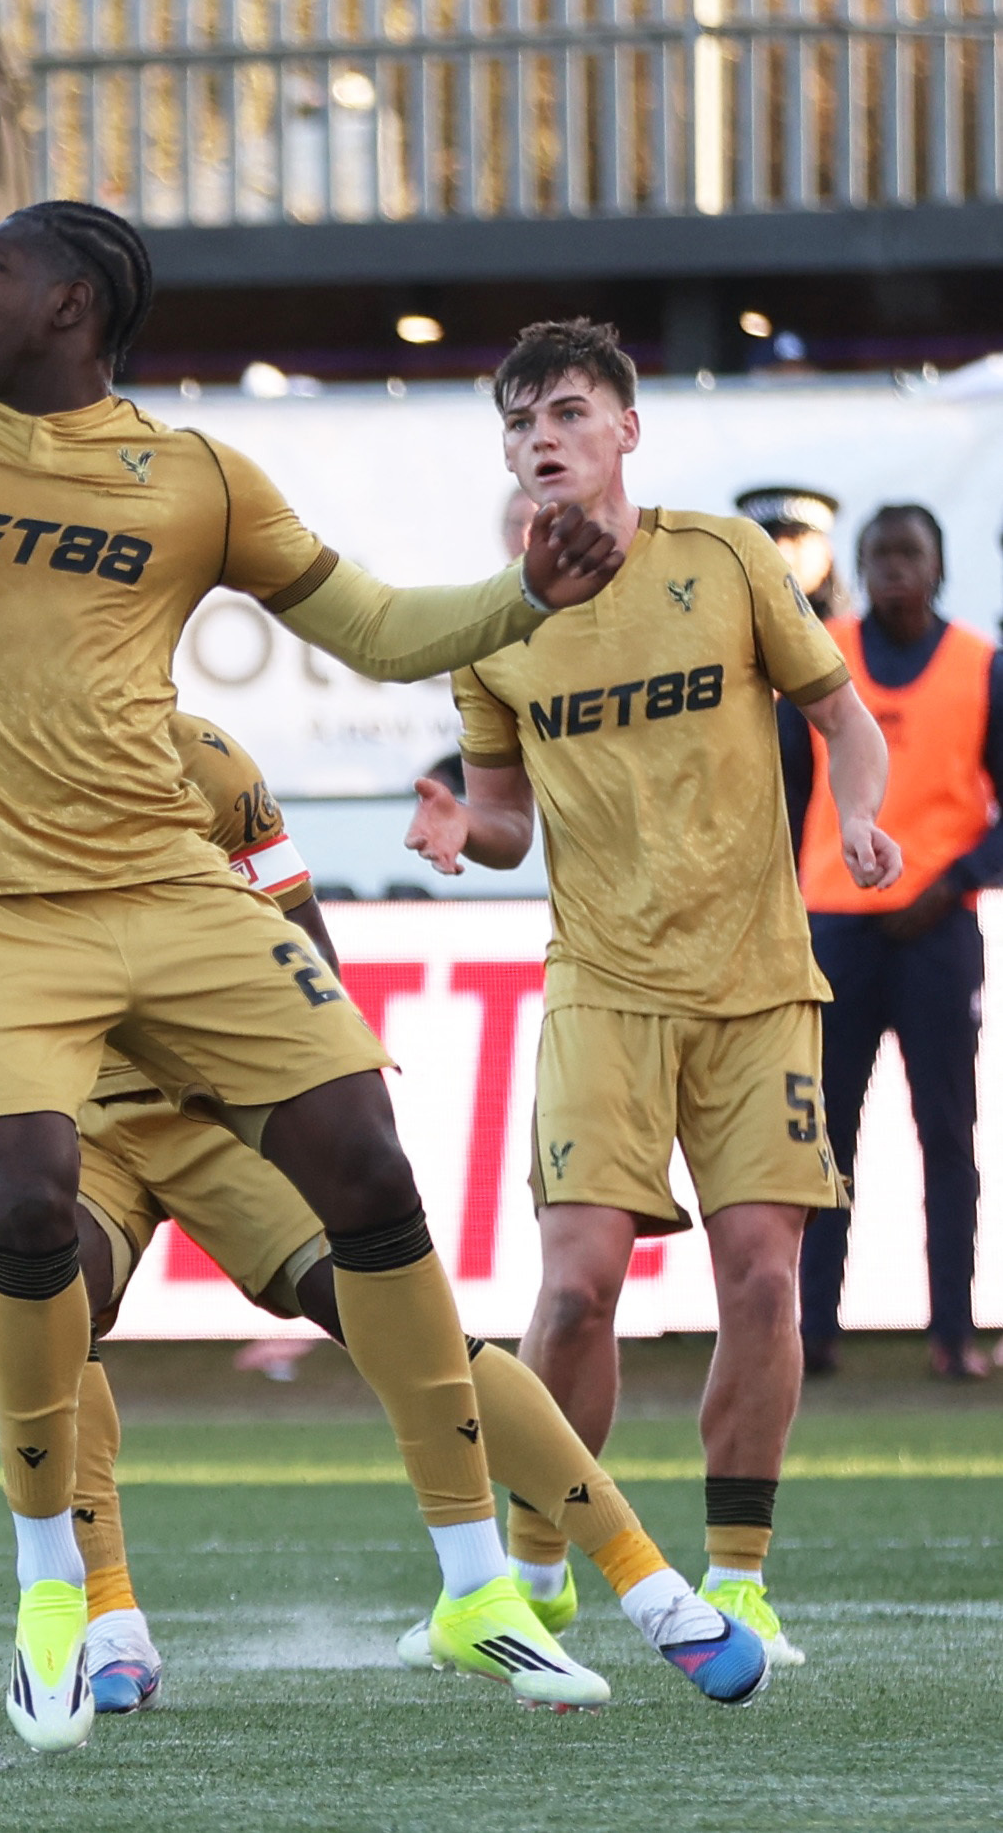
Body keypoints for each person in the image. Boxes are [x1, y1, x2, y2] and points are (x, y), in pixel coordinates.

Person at [0, 199, 627, 1751]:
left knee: (370, 1170)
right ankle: (60, 1581)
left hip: (168, 893)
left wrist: (530, 591)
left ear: (70, 301)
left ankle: (483, 1580)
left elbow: (379, 626)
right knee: (30, 1195)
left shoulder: (193, 475)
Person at [0, 722, 766, 1714]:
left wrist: (315, 1086)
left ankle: (652, 1585)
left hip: (215, 1104)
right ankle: (108, 1616)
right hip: (75, 1118)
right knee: (56, 1301)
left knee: (400, 1316)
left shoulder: (200, 758)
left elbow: (296, 920)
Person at [406, 317, 901, 1673]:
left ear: (627, 429)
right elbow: (508, 821)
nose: (541, 438)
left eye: (565, 411)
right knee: (571, 1292)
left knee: (763, 1279)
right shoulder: (495, 626)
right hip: (602, 990)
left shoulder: (726, 559)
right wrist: (463, 825)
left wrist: (859, 820)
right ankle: (535, 1566)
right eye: (518, 423)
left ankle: (738, 1578)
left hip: (755, 986)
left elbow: (842, 716)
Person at [779, 502, 999, 1382]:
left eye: (910, 554)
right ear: (859, 567)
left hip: (938, 930)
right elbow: (787, 794)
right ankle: (814, 1335)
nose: (893, 568)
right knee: (826, 1139)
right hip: (834, 925)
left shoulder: (981, 666)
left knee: (946, 1133)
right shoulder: (819, 658)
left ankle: (952, 1334)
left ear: (940, 568)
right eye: (879, 555)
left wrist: (952, 881)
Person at [738, 486, 849, 622]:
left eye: (795, 538)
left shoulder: (862, 639)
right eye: (768, 539)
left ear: (826, 551)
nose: (782, 552)